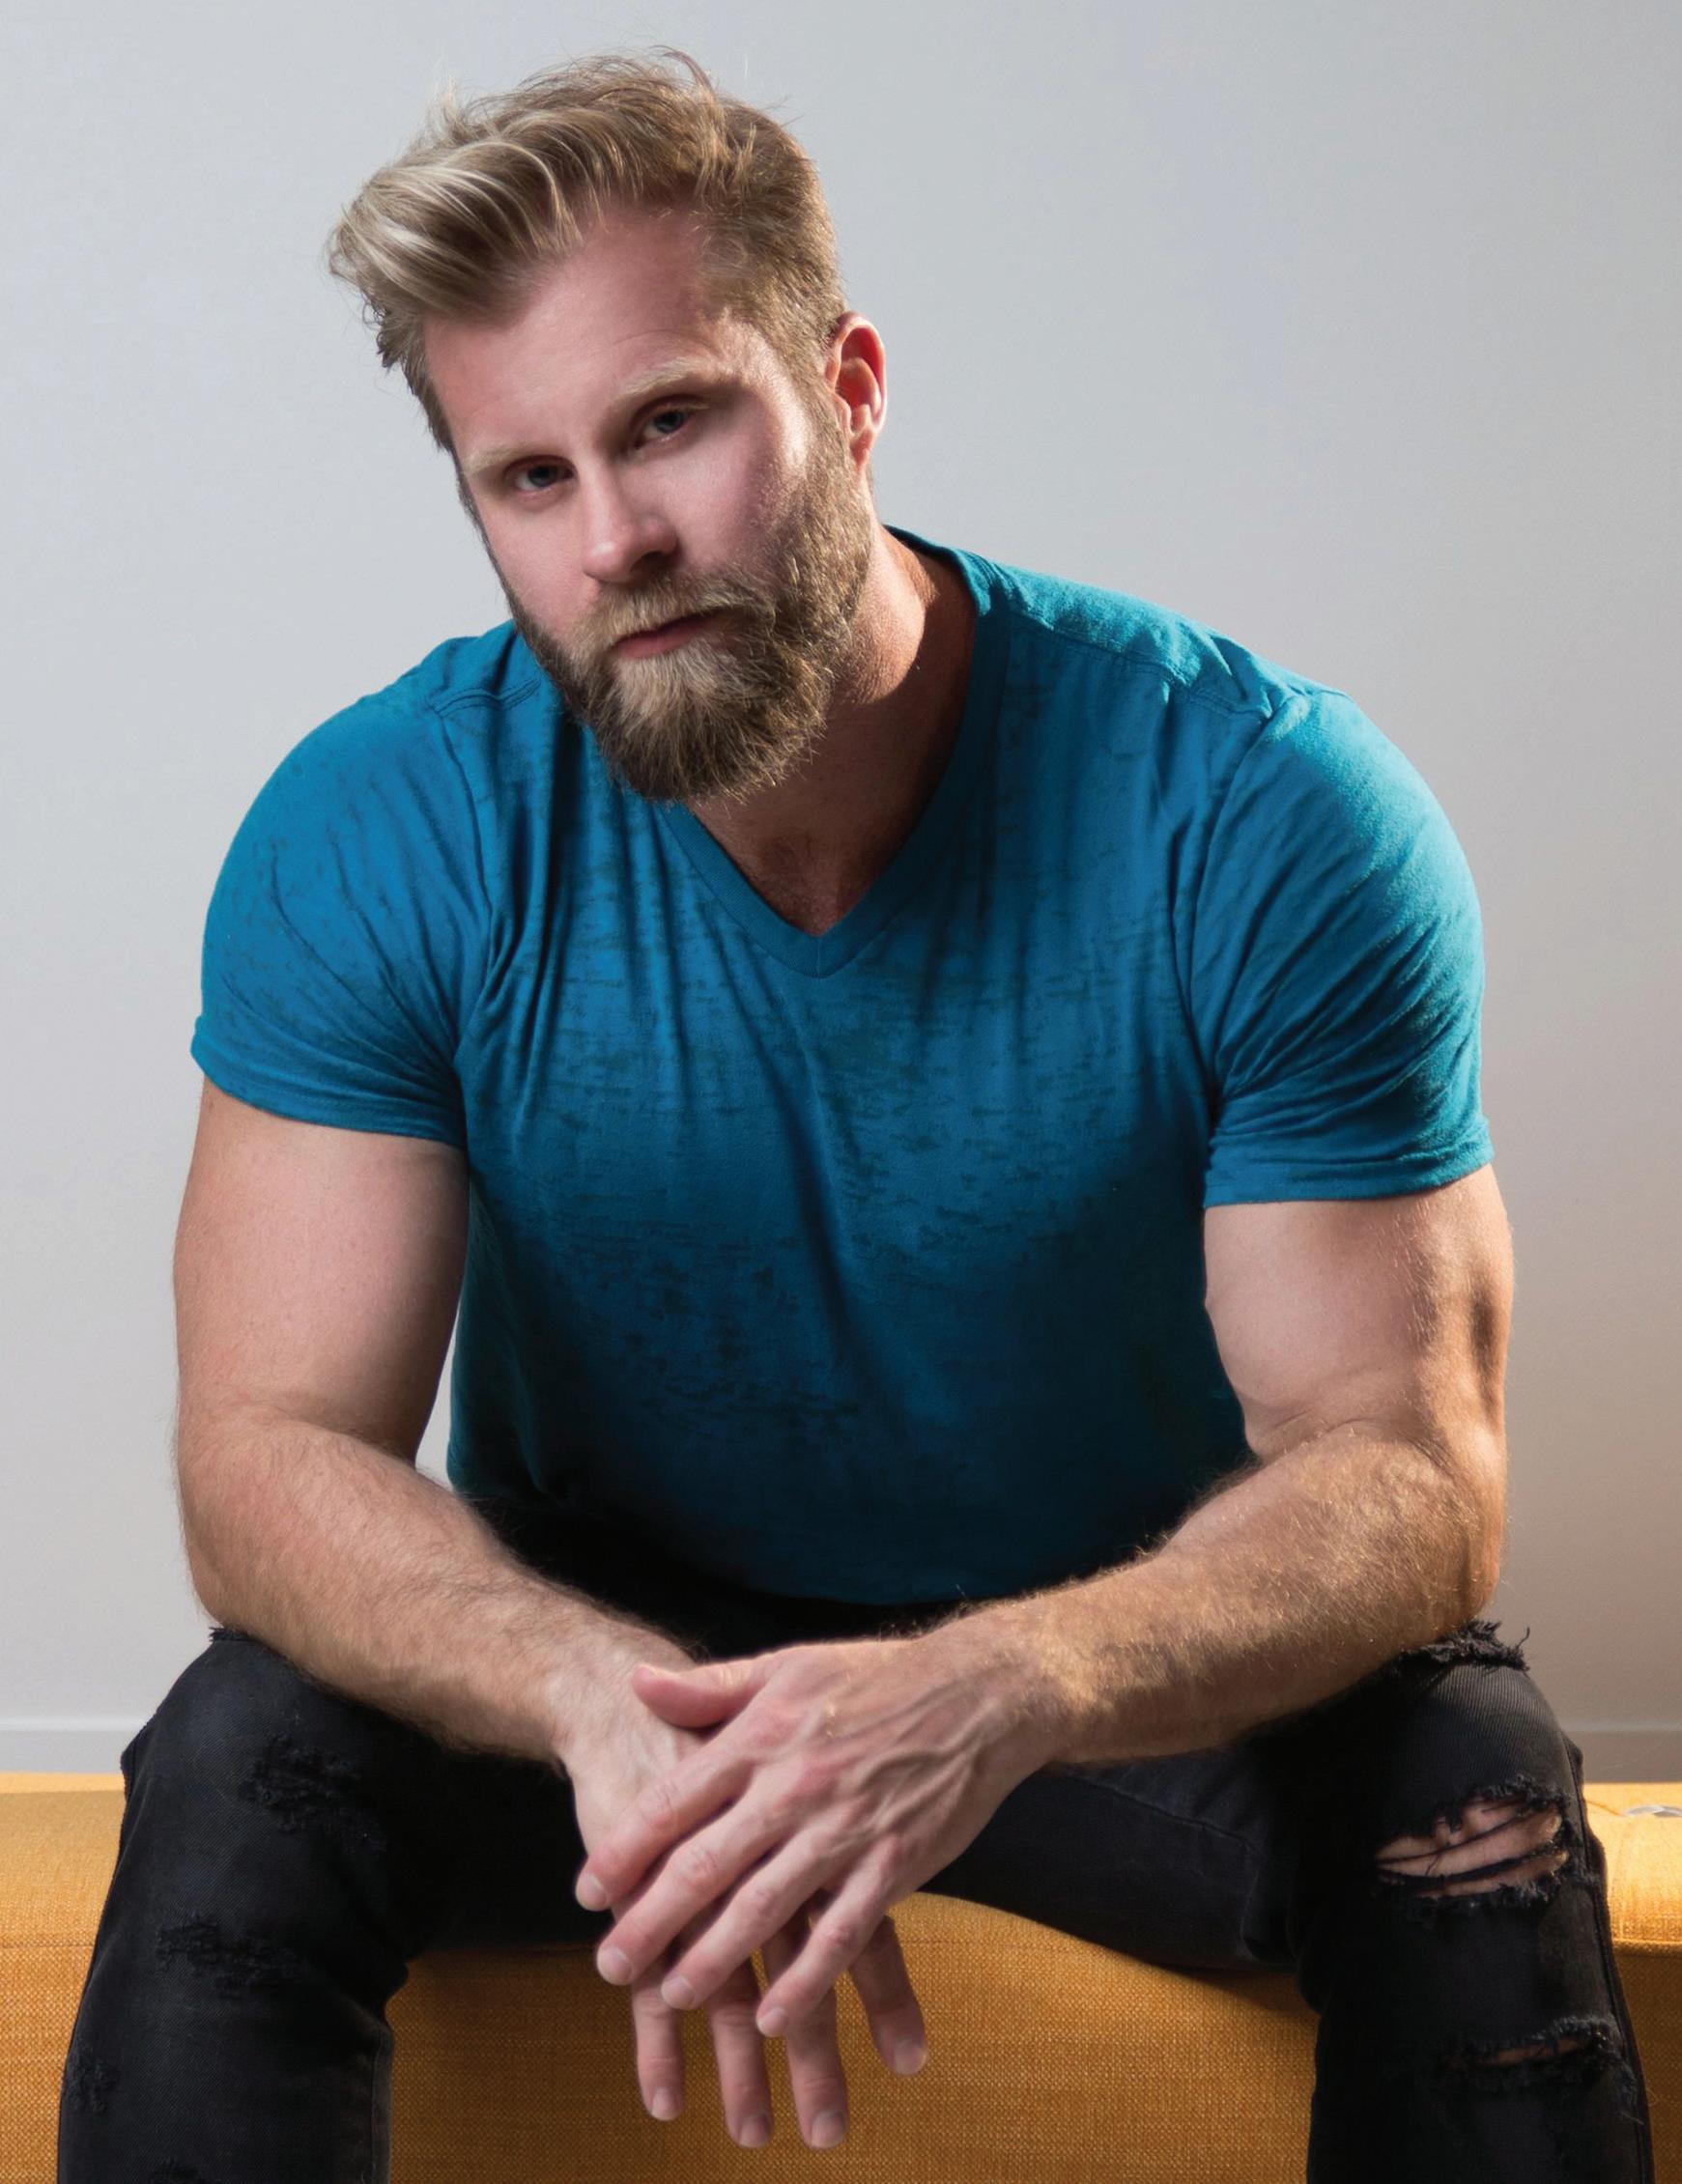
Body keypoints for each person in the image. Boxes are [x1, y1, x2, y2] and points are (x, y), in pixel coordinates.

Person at [58, 44, 1654, 2183]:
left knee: (1468, 1783)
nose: (617, 539)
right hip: (619, 1691)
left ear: (851, 387)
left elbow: (1403, 1469)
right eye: (526, 478)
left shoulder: (1259, 809)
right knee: (240, 1755)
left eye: (671, 422)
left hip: (1105, 1674)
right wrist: (583, 1694)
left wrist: (1001, 1685)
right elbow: (265, 1454)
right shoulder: (383, 832)